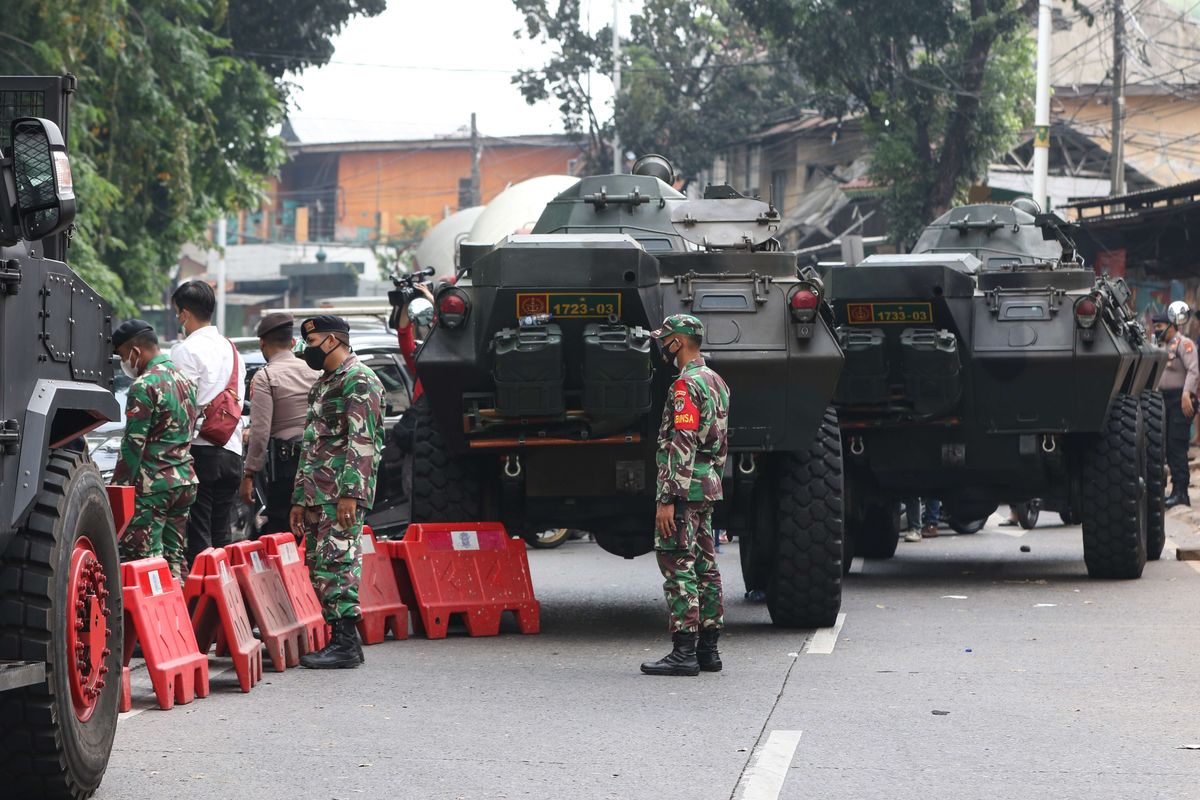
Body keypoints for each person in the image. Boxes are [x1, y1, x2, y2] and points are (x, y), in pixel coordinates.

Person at [289, 315, 385, 669]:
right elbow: (311, 446)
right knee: (319, 565)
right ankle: (339, 638)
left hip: (339, 495)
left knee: (338, 564)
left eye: (312, 345)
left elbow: (363, 443)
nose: (308, 352)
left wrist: (350, 495)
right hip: (317, 493)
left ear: (332, 341)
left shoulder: (359, 380)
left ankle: (346, 643)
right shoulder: (324, 383)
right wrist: (299, 499)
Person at [641, 314, 730, 678]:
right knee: (706, 567)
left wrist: (668, 497)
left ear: (679, 341)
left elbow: (683, 441)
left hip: (684, 488)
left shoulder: (685, 386)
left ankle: (684, 651)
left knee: (678, 565)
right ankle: (709, 650)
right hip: (707, 486)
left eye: (666, 339)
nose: (662, 345)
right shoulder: (717, 381)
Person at [110, 320, 198, 580]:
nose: (125, 362)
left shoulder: (143, 385)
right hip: (184, 481)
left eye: (123, 355)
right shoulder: (185, 380)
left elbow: (133, 445)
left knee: (146, 561)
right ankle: (179, 616)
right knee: (174, 559)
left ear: (135, 350)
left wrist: (119, 488)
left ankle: (158, 620)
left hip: (153, 489)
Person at [170, 280, 246, 563]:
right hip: (233, 448)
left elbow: (181, 406)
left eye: (178, 312)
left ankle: (204, 600)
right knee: (222, 532)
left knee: (199, 533)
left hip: (201, 450)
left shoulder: (185, 350)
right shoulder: (232, 348)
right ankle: (226, 597)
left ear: (185, 314)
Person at [241, 313, 319, 536]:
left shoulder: (265, 377)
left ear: (262, 343)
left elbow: (260, 431)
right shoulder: (315, 372)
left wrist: (249, 474)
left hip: (287, 470)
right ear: (292, 342)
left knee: (282, 530)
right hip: (317, 463)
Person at [1153, 308, 1198, 507]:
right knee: (1166, 447)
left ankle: (1181, 493)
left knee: (1177, 446)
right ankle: (1174, 491)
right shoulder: (1160, 346)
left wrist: (1186, 394)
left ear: (1171, 326)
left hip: (1181, 400)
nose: (1156, 330)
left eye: (1159, 326)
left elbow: (1193, 370)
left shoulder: (1184, 344)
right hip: (1164, 400)